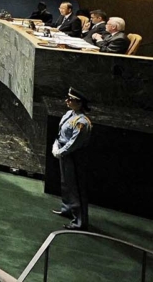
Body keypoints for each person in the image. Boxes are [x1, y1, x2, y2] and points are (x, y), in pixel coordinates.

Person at [52, 87, 92, 230]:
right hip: (64, 152)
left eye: (71, 99)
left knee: (75, 187)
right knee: (66, 183)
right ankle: (67, 209)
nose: (67, 101)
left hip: (73, 156)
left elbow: (74, 143)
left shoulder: (82, 122)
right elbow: (61, 133)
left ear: (80, 103)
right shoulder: (70, 114)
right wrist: (56, 145)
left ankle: (80, 222)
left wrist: (60, 152)